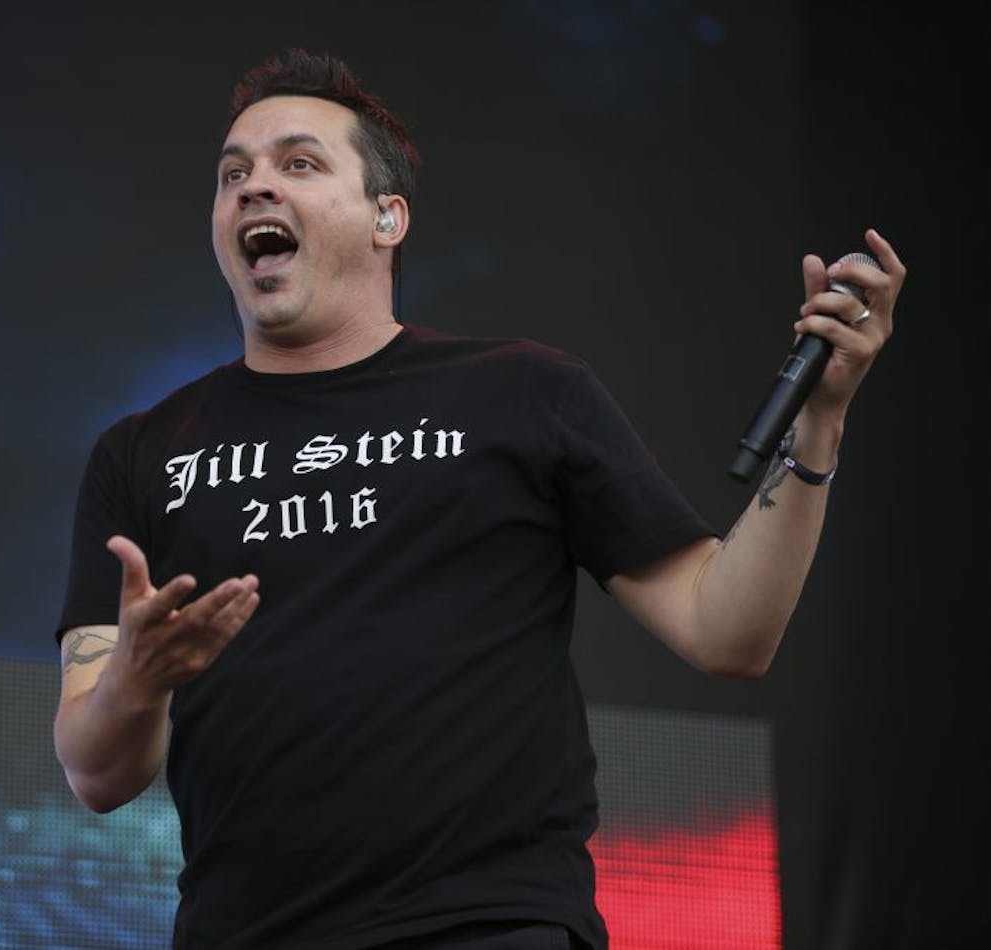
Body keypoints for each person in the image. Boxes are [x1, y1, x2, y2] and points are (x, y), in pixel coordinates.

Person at [53, 49, 904, 949]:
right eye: (234, 175)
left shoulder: (525, 393)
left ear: (388, 217)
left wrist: (819, 427)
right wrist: (137, 685)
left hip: (487, 925)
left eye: (298, 164)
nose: (255, 188)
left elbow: (726, 631)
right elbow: (95, 772)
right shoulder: (143, 452)